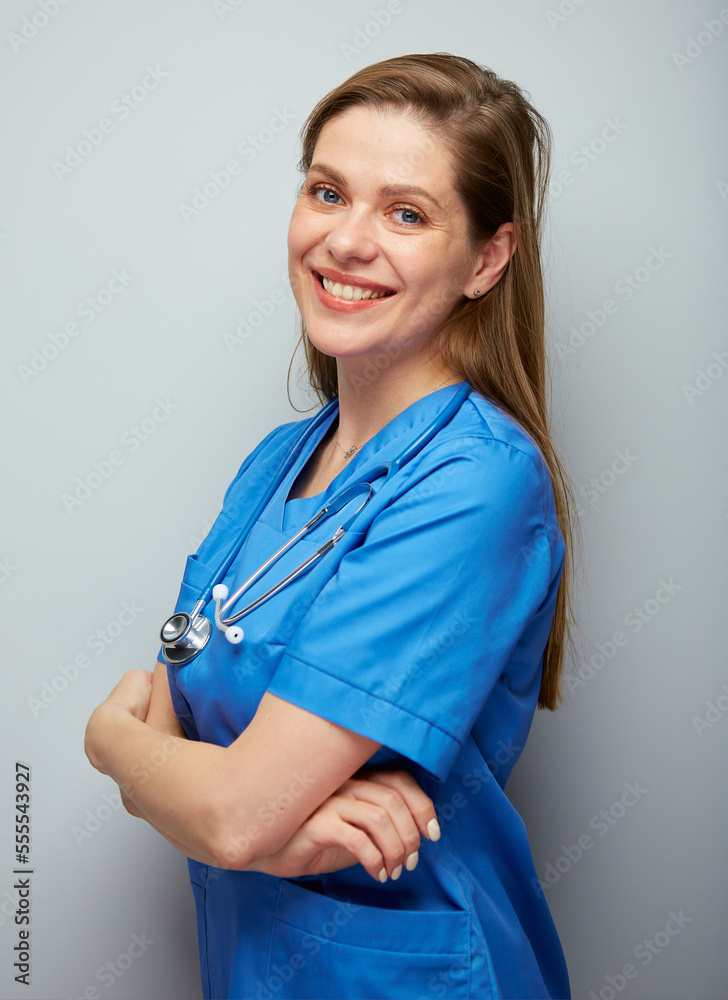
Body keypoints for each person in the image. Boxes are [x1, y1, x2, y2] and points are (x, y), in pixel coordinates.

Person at [85, 52, 576, 1000]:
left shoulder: (477, 486)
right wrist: (275, 830)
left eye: (406, 213)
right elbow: (191, 749)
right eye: (327, 192)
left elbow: (218, 804)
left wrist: (117, 748)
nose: (346, 241)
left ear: (486, 260)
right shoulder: (280, 459)